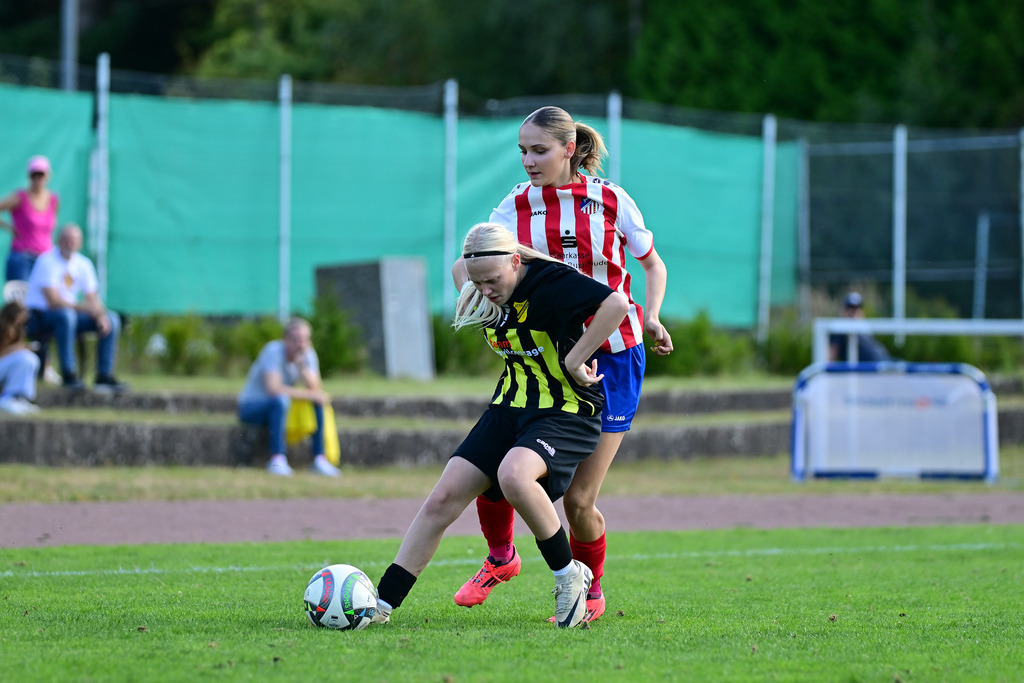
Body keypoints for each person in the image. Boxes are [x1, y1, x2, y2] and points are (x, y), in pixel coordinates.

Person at [450, 105, 674, 623]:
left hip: (613, 357)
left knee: (578, 500)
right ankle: (501, 558)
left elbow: (652, 263)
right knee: (495, 464)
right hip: (548, 359)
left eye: (539, 150)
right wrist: (488, 312)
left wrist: (652, 316)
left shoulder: (611, 199)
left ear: (569, 149)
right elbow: (469, 263)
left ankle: (590, 590)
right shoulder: (515, 205)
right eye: (522, 151)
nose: (528, 161)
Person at [372, 222, 629, 629]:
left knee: (513, 474)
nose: (484, 290)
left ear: (515, 260)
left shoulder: (551, 282)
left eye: (493, 280)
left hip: (566, 410)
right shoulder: (477, 279)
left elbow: (616, 304)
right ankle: (381, 604)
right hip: (508, 407)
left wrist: (575, 359)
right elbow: (462, 268)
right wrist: (476, 281)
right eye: (478, 282)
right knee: (442, 498)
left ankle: (570, 578)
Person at [24, 224, 127, 393]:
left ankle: (104, 376)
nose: (70, 244)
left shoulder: (83, 264)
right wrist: (84, 307)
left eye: (74, 240)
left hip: (70, 315)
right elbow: (53, 301)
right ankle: (69, 374)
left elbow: (93, 298)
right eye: (66, 239)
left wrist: (100, 315)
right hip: (41, 316)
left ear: (80, 243)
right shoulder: (47, 261)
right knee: (66, 315)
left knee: (112, 319)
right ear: (59, 240)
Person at [238, 317, 340, 477]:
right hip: (251, 407)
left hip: (281, 406)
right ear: (285, 339)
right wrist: (310, 395)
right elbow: (274, 389)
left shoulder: (308, 354)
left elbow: (315, 387)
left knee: (316, 402)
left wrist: (302, 366)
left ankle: (319, 459)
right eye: (295, 339)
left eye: (304, 339)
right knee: (281, 401)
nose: (300, 344)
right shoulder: (273, 351)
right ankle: (277, 460)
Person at [0, 156, 59, 282]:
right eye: (34, 175)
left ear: (48, 176)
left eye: (41, 175)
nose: (37, 179)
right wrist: (9, 228)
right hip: (22, 258)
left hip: (45, 259)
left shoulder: (53, 200)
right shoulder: (20, 198)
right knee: (21, 294)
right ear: (29, 176)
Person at [0, 300, 41, 415]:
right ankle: (7, 397)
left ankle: (20, 398)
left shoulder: (19, 330)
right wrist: (15, 350)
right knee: (25, 359)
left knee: (32, 359)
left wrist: (23, 348)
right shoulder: (1, 329)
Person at [828, 291, 892, 363]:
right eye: (850, 308)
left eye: (856, 308)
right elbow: (831, 356)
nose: (853, 312)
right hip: (869, 367)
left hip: (885, 361)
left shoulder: (865, 328)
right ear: (844, 310)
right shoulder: (840, 329)